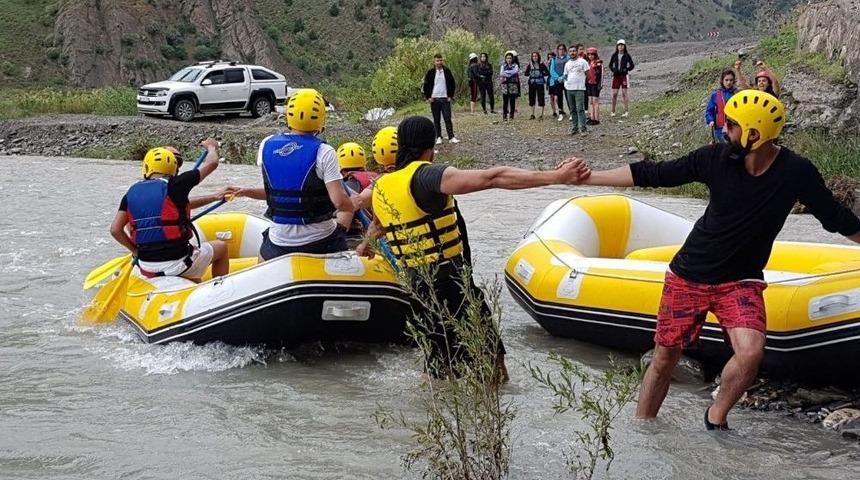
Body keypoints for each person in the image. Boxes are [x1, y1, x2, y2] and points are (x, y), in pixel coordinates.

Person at [566, 91, 860, 430]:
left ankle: (715, 418)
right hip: (688, 275)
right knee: (664, 358)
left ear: (754, 132)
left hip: (740, 281)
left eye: (732, 125)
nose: (725, 131)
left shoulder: (797, 172)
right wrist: (589, 177)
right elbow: (654, 173)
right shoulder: (715, 158)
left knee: (750, 352)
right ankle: (644, 428)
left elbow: (836, 217)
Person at [354, 116, 590, 380]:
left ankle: (437, 412)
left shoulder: (382, 187)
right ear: (430, 147)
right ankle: (493, 407)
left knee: (439, 366)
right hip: (449, 283)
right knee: (491, 358)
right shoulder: (428, 176)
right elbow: (494, 178)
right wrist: (558, 176)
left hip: (417, 288)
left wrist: (363, 247)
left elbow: (377, 227)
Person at [233, 89, 355, 259]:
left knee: (265, 250)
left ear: (288, 117)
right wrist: (352, 206)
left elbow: (282, 192)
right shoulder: (324, 151)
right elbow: (339, 201)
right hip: (321, 242)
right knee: (347, 213)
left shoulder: (266, 144)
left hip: (278, 242)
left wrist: (246, 191)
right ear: (321, 120)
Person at [110, 141, 232, 281]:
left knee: (190, 263)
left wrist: (135, 251)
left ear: (146, 168)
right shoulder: (177, 184)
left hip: (146, 266)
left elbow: (115, 230)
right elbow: (212, 163)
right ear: (174, 169)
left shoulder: (131, 193)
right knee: (221, 247)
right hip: (179, 263)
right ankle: (220, 290)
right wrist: (211, 147)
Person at [422, 53, 459, 145]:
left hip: (445, 98)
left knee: (447, 118)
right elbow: (426, 85)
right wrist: (428, 97)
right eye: (437, 61)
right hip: (434, 99)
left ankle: (451, 137)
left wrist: (451, 95)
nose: (439, 62)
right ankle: (438, 137)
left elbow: (452, 83)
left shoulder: (447, 71)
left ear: (443, 61)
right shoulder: (430, 72)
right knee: (436, 119)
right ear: (434, 62)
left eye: (440, 60)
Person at [705, 69, 738, 143]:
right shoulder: (716, 95)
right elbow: (709, 111)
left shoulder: (737, 93)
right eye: (726, 80)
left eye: (731, 80)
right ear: (722, 81)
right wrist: (710, 120)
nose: (729, 82)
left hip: (735, 127)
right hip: (720, 129)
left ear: (733, 81)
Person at [563, 44, 590, 135]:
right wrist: (565, 83)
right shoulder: (567, 64)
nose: (572, 53)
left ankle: (583, 128)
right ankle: (575, 128)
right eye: (570, 51)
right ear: (568, 53)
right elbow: (565, 75)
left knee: (580, 109)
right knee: (572, 109)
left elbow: (588, 75)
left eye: (574, 51)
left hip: (579, 89)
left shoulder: (583, 62)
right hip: (569, 89)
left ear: (577, 51)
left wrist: (582, 83)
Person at [609, 39, 635, 117]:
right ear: (617, 46)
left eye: (622, 45)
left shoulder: (627, 55)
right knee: (614, 94)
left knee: (624, 93)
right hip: (616, 76)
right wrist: (614, 70)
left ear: (624, 46)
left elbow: (632, 65)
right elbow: (610, 65)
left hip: (624, 76)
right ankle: (613, 111)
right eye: (619, 45)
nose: (620, 47)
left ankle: (626, 111)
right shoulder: (614, 55)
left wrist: (626, 69)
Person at [524, 51, 550, 120]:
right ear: (532, 57)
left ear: (538, 57)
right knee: (531, 98)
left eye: (536, 56)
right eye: (533, 56)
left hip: (540, 83)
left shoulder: (541, 64)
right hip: (532, 83)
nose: (535, 57)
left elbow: (547, 72)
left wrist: (541, 74)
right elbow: (526, 73)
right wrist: (530, 73)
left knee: (541, 97)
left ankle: (541, 114)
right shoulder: (530, 65)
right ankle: (532, 114)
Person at [548, 44, 569, 121]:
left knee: (568, 97)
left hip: (567, 80)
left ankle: (572, 113)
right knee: (559, 97)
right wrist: (558, 78)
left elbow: (569, 69)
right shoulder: (554, 59)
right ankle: (560, 113)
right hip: (557, 81)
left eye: (563, 49)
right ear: (557, 50)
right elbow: (552, 70)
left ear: (565, 50)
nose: (561, 50)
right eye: (560, 49)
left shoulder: (568, 58)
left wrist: (563, 77)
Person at [499, 50, 521, 122]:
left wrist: (507, 73)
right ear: (505, 59)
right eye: (507, 58)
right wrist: (509, 74)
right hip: (505, 85)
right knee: (505, 100)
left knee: (512, 100)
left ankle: (512, 115)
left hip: (513, 84)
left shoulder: (515, 65)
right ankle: (504, 115)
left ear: (512, 59)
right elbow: (501, 73)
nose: (509, 59)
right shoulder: (503, 65)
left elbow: (515, 71)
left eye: (510, 58)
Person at [585, 47, 603, 125]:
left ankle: (597, 119)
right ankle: (592, 117)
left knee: (595, 101)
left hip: (596, 84)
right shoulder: (588, 63)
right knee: (591, 101)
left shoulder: (598, 63)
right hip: (589, 84)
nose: (590, 56)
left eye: (592, 54)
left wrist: (600, 85)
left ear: (595, 55)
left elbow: (601, 75)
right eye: (589, 54)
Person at [546, 51, 558, 118]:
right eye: (549, 57)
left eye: (551, 56)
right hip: (550, 81)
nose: (550, 58)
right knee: (551, 97)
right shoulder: (548, 63)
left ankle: (560, 109)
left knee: (556, 97)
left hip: (556, 81)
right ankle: (554, 111)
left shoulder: (556, 62)